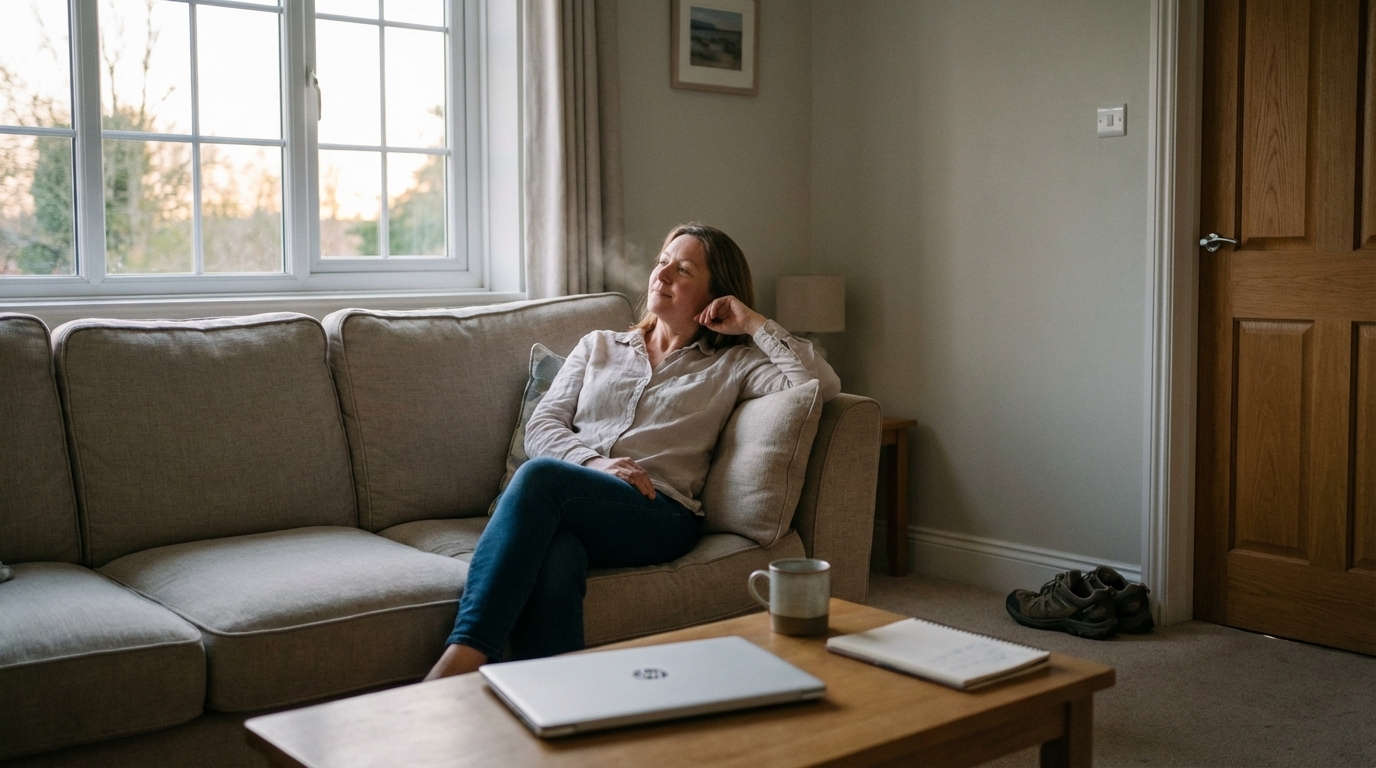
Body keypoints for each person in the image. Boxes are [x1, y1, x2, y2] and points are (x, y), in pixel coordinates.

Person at [424, 223, 841, 680]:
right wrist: (597, 463)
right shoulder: (598, 346)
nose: (661, 275)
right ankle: (550, 694)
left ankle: (461, 658)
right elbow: (543, 425)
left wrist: (753, 322)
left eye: (682, 269)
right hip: (578, 501)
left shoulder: (734, 365)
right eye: (662, 261)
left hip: (658, 512)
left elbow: (817, 384)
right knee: (558, 555)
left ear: (716, 295)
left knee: (541, 478)